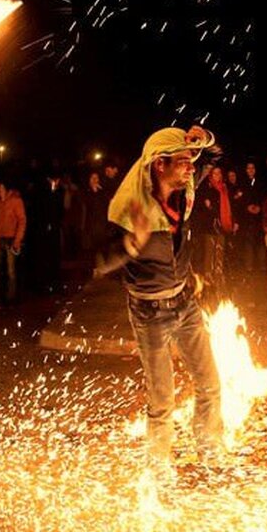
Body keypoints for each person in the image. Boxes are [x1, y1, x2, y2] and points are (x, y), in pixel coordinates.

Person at [94, 126, 224, 486]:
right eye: (182, 162)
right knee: (162, 400)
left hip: (185, 303)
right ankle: (159, 472)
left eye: (189, 162)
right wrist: (130, 245)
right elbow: (101, 262)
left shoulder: (184, 188)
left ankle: (211, 453)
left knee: (210, 384)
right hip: (150, 313)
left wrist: (203, 139)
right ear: (159, 164)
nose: (189, 168)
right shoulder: (128, 207)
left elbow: (214, 156)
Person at [0, 177, 26, 307]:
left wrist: (17, 240)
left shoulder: (15, 201)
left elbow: (22, 221)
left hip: (10, 240)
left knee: (11, 271)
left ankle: (11, 297)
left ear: (2, 186)